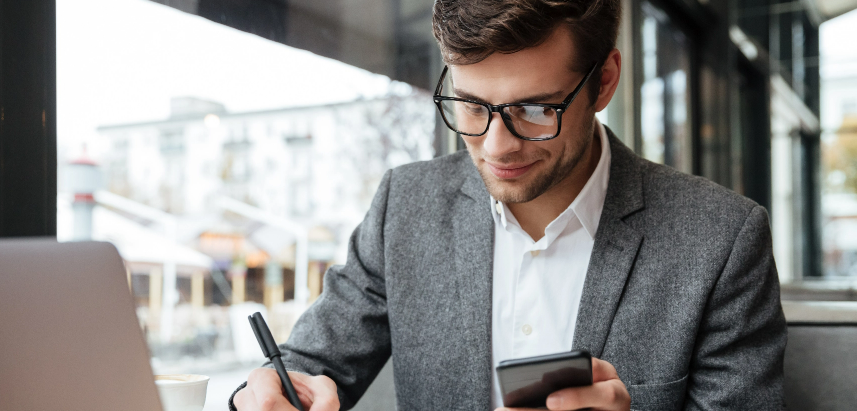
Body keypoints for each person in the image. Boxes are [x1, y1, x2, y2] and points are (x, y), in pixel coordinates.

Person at [230, 0, 786, 409]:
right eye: (470, 105)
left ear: (605, 81)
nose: (497, 146)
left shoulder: (720, 240)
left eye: (537, 110)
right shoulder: (406, 207)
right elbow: (308, 366)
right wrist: (264, 393)